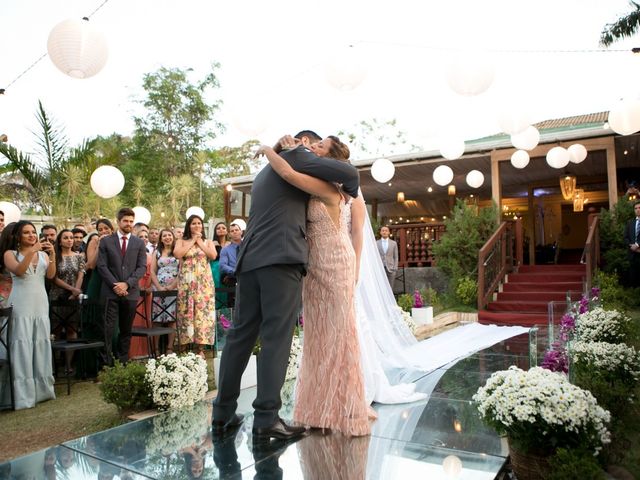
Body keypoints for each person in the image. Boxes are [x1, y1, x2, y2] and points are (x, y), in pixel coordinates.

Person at [212, 130, 359, 441]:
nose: (312, 151)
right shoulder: (295, 156)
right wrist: (275, 148)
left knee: (239, 336)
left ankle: (222, 413)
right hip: (280, 260)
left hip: (249, 259)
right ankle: (266, 417)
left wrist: (271, 150)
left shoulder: (265, 172)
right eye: (312, 145)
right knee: (276, 338)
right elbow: (349, 173)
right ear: (302, 144)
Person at [257, 135, 371, 436]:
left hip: (336, 263)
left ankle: (341, 407)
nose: (314, 148)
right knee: (318, 337)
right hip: (314, 268)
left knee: (338, 336)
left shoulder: (330, 189)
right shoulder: (318, 184)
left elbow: (288, 173)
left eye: (320, 147)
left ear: (330, 159)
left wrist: (270, 149)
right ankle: (318, 410)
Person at [2, 220, 56, 409]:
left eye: (33, 232)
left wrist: (52, 255)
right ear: (18, 236)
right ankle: (23, 396)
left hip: (40, 303)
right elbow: (20, 271)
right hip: (21, 304)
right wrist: (33, 250)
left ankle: (42, 391)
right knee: (22, 344)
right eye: (27, 232)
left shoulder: (41, 254)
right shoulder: (10, 254)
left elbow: (50, 276)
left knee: (40, 343)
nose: (32, 235)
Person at [96, 208, 147, 365]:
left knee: (126, 330)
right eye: (125, 221)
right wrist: (115, 285)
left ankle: (122, 363)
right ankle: (106, 366)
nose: (128, 224)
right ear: (118, 222)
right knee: (107, 331)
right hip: (110, 293)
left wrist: (126, 284)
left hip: (130, 293)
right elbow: (102, 266)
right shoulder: (106, 241)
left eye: (131, 221)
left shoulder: (139, 243)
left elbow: (141, 267)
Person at [175, 214, 217, 357]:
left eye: (199, 223)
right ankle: (185, 347)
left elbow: (212, 255)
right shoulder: (181, 241)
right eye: (193, 223)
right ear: (189, 226)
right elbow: (177, 254)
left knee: (202, 313)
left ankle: (201, 348)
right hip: (187, 282)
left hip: (204, 283)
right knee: (186, 311)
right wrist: (192, 240)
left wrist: (200, 242)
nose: (197, 225)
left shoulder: (208, 241)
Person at [49, 229, 86, 374]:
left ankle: (69, 365)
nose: (70, 240)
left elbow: (81, 275)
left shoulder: (79, 257)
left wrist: (76, 291)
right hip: (57, 296)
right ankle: (54, 365)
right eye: (66, 238)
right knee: (56, 330)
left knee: (72, 329)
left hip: (74, 298)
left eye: (71, 237)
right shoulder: (55, 257)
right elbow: (53, 277)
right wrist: (72, 289)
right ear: (60, 240)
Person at [150, 228, 179, 353]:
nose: (167, 237)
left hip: (174, 287)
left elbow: (181, 270)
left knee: (172, 319)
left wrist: (172, 286)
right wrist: (159, 287)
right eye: (164, 236)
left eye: (169, 235)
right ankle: (156, 348)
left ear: (173, 237)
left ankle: (169, 348)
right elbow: (152, 271)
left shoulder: (177, 251)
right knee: (157, 319)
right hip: (159, 288)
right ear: (161, 239)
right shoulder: (157, 252)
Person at [210, 222, 230, 309]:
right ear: (215, 231)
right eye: (218, 228)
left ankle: (226, 319)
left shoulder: (231, 244)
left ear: (227, 231)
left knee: (227, 293)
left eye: (223, 228)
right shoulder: (211, 243)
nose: (221, 229)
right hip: (214, 269)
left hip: (228, 270)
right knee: (216, 291)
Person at [624, 199, 640, 287]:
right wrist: (631, 246)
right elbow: (625, 237)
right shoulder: (630, 223)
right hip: (632, 255)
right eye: (635, 208)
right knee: (634, 279)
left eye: (639, 208)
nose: (637, 210)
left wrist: (637, 245)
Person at [377, 226, 398, 290]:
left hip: (391, 269)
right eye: (383, 231)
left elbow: (396, 256)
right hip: (380, 268)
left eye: (386, 231)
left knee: (390, 288)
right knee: (381, 287)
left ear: (389, 232)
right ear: (380, 232)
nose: (384, 232)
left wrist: (395, 268)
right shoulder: (376, 243)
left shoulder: (393, 243)